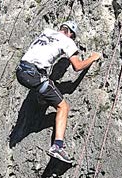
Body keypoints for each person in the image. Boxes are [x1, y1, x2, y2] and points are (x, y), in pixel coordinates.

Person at [16, 21, 101, 164]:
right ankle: (57, 147)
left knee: (47, 85)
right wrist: (93, 57)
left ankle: (42, 97)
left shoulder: (47, 31)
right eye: (72, 37)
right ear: (71, 34)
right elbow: (78, 66)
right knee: (63, 107)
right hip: (34, 75)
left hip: (21, 71)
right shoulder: (68, 41)